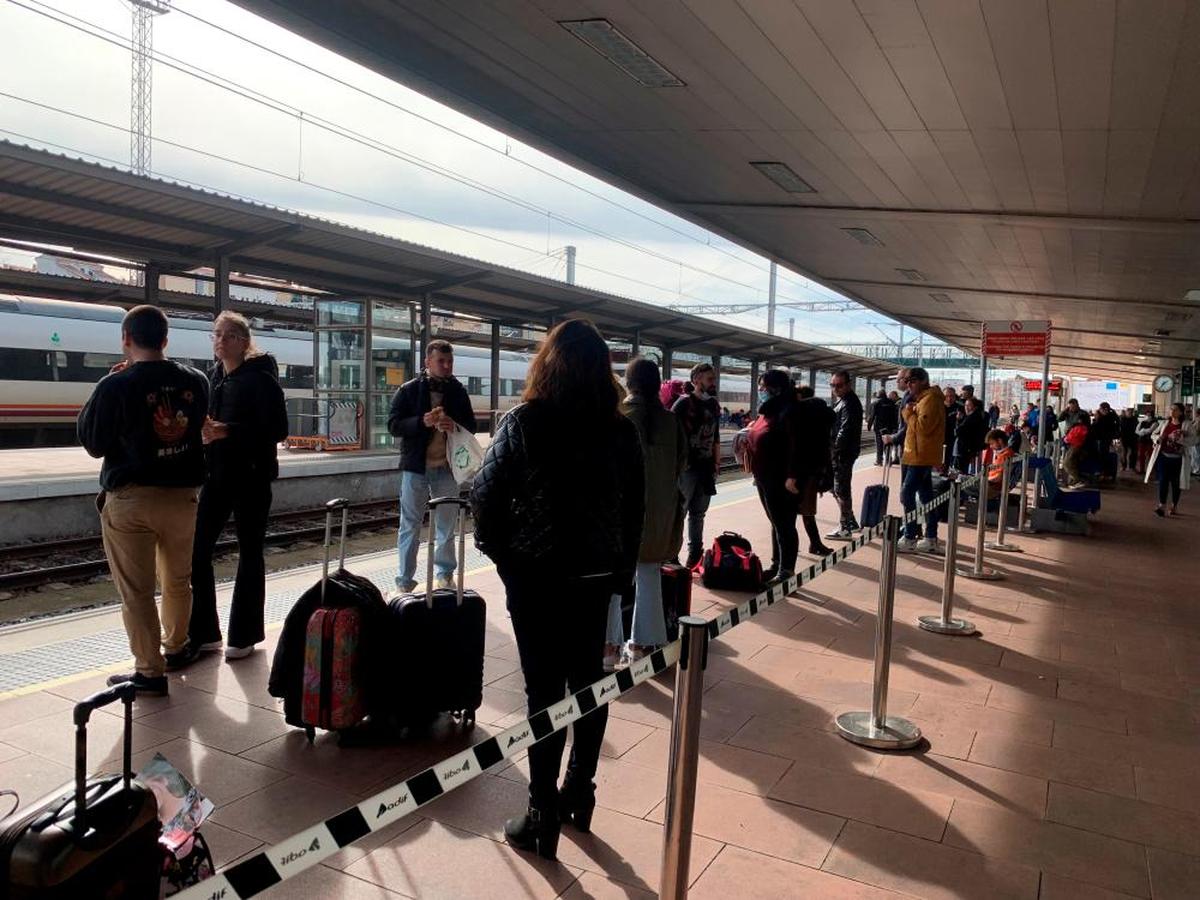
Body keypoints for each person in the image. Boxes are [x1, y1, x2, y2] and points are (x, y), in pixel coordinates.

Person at [471, 319, 644, 861]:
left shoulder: (523, 421)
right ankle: (580, 793)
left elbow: (484, 498)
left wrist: (508, 560)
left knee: (542, 693)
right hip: (595, 579)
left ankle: (541, 812)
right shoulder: (620, 430)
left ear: (546, 362)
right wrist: (620, 572)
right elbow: (635, 509)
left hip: (537, 581)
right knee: (590, 684)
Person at [77, 306, 209, 695]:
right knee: (178, 579)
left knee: (136, 591)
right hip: (183, 497)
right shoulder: (197, 380)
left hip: (132, 500)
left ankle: (150, 672)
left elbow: (93, 443)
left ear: (126, 339)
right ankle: (177, 647)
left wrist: (103, 387)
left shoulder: (115, 385)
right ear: (165, 340)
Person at [186, 312, 289, 664]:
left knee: (249, 552)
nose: (221, 340)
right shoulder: (214, 378)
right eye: (216, 334)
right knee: (197, 552)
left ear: (244, 342)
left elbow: (278, 429)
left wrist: (230, 430)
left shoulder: (262, 380)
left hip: (252, 477)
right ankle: (204, 633)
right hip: (216, 476)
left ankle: (244, 634)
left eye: (229, 335)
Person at [604, 358, 686, 667]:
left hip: (622, 515)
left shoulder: (620, 416)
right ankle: (643, 646)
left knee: (612, 584)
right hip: (659, 515)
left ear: (629, 383)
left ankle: (608, 649)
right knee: (649, 576)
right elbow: (681, 464)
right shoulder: (671, 421)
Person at [388, 340, 476, 593]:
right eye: (441, 361)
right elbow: (393, 425)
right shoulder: (408, 390)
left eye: (450, 362)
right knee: (410, 525)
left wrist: (454, 425)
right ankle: (405, 582)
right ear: (427, 362)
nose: (447, 366)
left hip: (447, 468)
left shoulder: (458, 391)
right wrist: (420, 422)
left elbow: (470, 425)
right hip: (416, 468)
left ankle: (445, 575)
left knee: (447, 526)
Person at [672, 363, 721, 567]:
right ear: (697, 379)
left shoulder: (713, 404)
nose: (713, 382)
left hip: (706, 468)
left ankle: (695, 555)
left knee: (698, 513)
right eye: (709, 378)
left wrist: (716, 462)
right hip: (687, 469)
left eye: (713, 379)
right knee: (679, 513)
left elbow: (716, 435)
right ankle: (672, 554)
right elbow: (672, 435)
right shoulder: (683, 404)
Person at [896, 367, 944, 554]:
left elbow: (923, 428)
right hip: (916, 454)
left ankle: (909, 536)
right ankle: (930, 537)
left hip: (920, 456)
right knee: (926, 497)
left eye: (912, 381)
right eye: (906, 382)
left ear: (924, 381)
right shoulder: (923, 399)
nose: (908, 385)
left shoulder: (931, 400)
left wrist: (908, 414)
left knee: (906, 495)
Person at [826, 370, 863, 539]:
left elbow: (845, 429)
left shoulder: (849, 403)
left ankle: (845, 526)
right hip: (844, 451)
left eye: (839, 385)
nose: (835, 388)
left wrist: (834, 449)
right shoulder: (845, 401)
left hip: (843, 452)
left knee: (841, 489)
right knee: (838, 488)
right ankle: (851, 521)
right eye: (833, 385)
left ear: (848, 384)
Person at [1147, 403, 1195, 516]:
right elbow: (1153, 434)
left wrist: (1180, 439)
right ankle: (1161, 505)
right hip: (1164, 456)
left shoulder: (1186, 425)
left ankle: (1174, 505)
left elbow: (1194, 440)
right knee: (1163, 480)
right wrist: (1157, 439)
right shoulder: (1165, 423)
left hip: (1178, 459)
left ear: (1181, 412)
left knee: (1176, 483)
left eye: (1175, 410)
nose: (1172, 411)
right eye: (1171, 409)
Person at [955, 396, 987, 473]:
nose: (966, 407)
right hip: (969, 449)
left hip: (965, 449)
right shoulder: (977, 416)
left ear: (975, 407)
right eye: (965, 405)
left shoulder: (972, 418)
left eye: (969, 405)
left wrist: (958, 420)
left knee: (961, 471)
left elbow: (959, 431)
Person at [869, 389, 897, 466]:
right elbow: (895, 416)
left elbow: (872, 416)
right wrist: (895, 426)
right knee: (887, 443)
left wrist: (869, 426)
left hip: (879, 427)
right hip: (889, 427)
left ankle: (879, 460)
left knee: (879, 444)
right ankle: (888, 460)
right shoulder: (892, 403)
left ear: (879, 395)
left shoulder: (876, 403)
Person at [1062, 419, 1090, 487]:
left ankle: (1077, 480)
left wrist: (1066, 439)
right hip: (1077, 447)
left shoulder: (1080, 428)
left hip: (1075, 446)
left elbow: (1073, 437)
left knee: (1067, 464)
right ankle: (1074, 480)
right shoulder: (1083, 428)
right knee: (1071, 464)